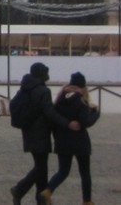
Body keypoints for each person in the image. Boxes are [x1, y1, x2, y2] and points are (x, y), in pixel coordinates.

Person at [11, 62, 79, 205]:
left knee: (42, 167)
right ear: (42, 73)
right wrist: (67, 123)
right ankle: (19, 189)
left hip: (28, 130)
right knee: (40, 167)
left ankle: (40, 199)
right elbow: (49, 112)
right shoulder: (43, 91)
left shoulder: (26, 87)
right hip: (40, 132)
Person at [40, 72, 98, 205]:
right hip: (79, 141)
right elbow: (85, 122)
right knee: (85, 173)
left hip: (62, 139)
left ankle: (47, 191)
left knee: (63, 171)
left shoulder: (60, 99)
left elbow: (54, 117)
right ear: (83, 86)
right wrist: (95, 113)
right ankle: (87, 201)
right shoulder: (80, 101)